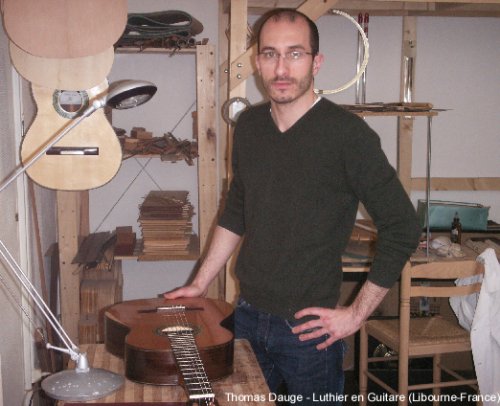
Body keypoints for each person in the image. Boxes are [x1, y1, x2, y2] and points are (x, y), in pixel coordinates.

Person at [165, 8, 421, 404]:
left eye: (295, 54)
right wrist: (200, 282)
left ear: (316, 62)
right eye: (270, 54)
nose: (281, 68)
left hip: (309, 331)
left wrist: (355, 315)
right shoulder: (249, 127)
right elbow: (237, 209)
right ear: (257, 62)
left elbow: (403, 226)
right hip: (247, 316)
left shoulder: (348, 136)